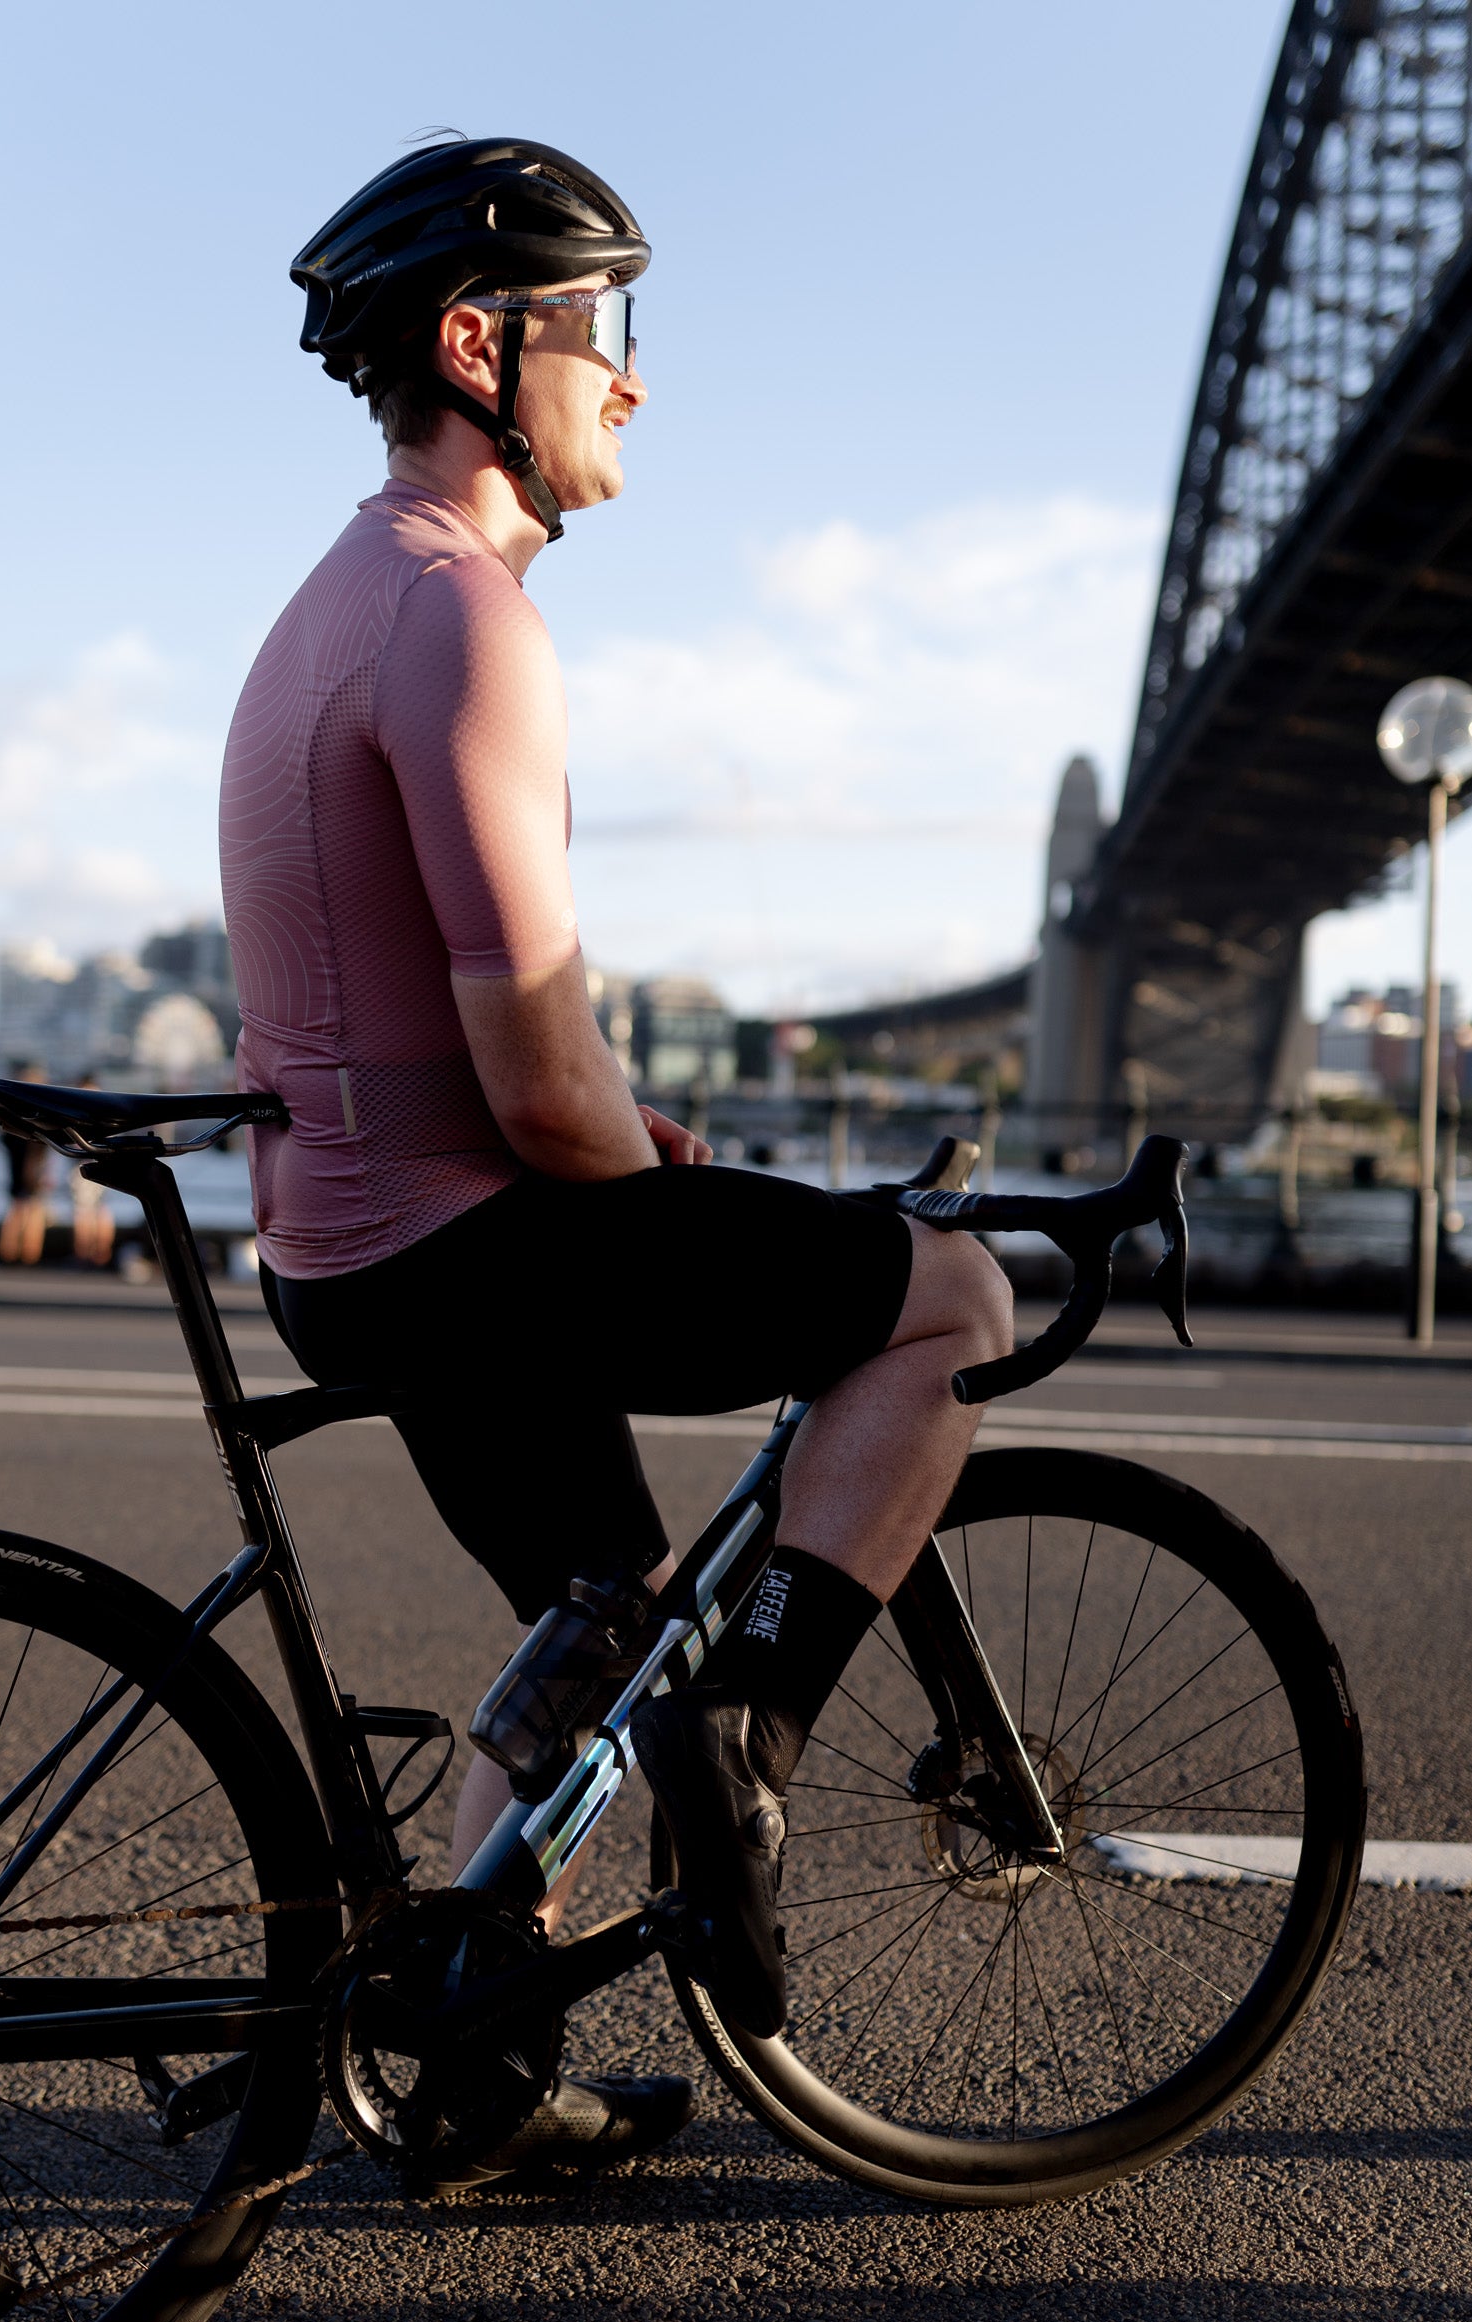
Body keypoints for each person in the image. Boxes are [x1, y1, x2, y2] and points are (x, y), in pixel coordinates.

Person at [219, 138, 1012, 2184]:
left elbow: (497, 1048)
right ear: (483, 344)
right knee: (946, 1293)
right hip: (464, 1246)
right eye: (611, 330)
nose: (636, 377)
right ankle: (744, 1748)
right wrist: (630, 1140)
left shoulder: (336, 596)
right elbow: (533, 1074)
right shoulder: (460, 619)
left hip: (356, 1236)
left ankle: (469, 2060)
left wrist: (616, 1126)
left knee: (610, 1607)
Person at [0, 1061, 50, 1265]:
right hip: (34, 1165)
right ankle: (29, 1254)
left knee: (19, 1207)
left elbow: (4, 1138)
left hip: (19, 1164)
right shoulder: (41, 1111)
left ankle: (11, 1252)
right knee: (33, 1209)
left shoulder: (10, 1111)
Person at [68, 1075, 117, 1267]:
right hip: (106, 1162)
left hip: (84, 1165)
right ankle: (102, 1253)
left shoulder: (79, 1109)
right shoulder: (107, 1109)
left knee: (83, 1212)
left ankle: (83, 1253)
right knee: (102, 1210)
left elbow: (73, 1142)